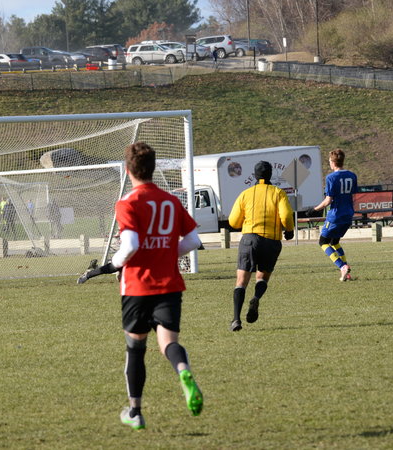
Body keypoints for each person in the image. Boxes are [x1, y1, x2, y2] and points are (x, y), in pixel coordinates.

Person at [77, 141, 203, 430]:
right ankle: (183, 370)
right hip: (169, 284)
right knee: (169, 343)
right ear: (153, 168)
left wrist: (115, 264)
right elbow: (194, 241)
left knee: (135, 348)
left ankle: (135, 412)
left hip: (137, 286)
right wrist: (166, 254)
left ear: (127, 170)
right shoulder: (171, 201)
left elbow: (131, 245)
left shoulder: (127, 202)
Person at [228, 161, 295, 332]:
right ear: (270, 175)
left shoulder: (245, 194)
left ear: (255, 175)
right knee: (262, 278)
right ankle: (256, 297)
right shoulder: (278, 192)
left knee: (241, 281)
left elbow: (233, 221)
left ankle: (236, 319)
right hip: (271, 241)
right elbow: (286, 215)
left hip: (249, 240)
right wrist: (289, 230)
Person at [309, 148, 358, 281]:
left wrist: (314, 209)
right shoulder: (352, 175)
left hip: (335, 215)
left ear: (332, 162)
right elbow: (352, 196)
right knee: (335, 242)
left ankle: (342, 266)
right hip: (348, 214)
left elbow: (328, 200)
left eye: (329, 161)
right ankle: (346, 272)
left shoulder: (331, 178)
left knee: (323, 242)